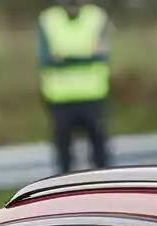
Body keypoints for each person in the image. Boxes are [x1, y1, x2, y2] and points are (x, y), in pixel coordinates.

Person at [38, 0, 112, 174]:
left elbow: (103, 55)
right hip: (59, 98)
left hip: (93, 95)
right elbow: (45, 58)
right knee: (64, 156)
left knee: (100, 154)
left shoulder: (97, 17)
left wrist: (64, 58)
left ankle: (105, 190)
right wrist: (87, 56)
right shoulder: (48, 19)